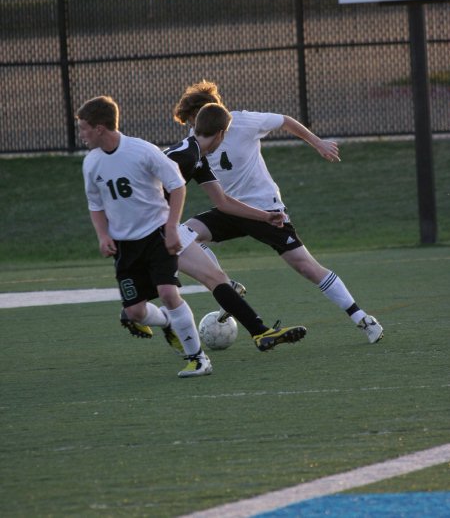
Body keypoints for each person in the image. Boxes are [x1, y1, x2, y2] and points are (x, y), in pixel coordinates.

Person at [172, 81, 384, 345]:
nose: (194, 127)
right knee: (184, 235)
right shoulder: (194, 144)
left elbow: (284, 120)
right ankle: (227, 286)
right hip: (230, 208)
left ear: (209, 112)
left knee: (307, 267)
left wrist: (317, 143)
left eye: (195, 119)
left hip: (264, 208)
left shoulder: (243, 121)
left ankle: (361, 317)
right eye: (191, 123)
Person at [121, 102, 307, 352]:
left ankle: (261, 333)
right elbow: (146, 186)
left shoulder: (196, 158)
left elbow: (223, 202)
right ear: (221, 134)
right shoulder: (184, 156)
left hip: (158, 227)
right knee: (201, 280)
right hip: (148, 229)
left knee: (216, 279)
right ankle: (136, 311)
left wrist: (265, 217)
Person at [76, 95, 212, 378]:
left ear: (100, 127)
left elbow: (177, 186)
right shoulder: (91, 163)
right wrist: (103, 236)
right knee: (135, 312)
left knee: (167, 292)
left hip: (157, 234)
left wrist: (173, 227)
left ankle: (198, 358)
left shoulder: (143, 151)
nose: (82, 134)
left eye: (84, 127)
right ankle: (170, 325)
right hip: (125, 245)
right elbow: (95, 204)